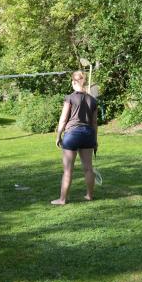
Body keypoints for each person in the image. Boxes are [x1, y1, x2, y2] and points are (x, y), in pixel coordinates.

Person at [52, 71, 98, 205]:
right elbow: (94, 123)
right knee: (88, 168)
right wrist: (95, 141)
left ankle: (62, 199)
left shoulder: (70, 98)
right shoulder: (93, 100)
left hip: (72, 134)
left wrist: (58, 135)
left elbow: (63, 119)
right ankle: (89, 195)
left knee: (68, 170)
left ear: (74, 82)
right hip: (88, 134)